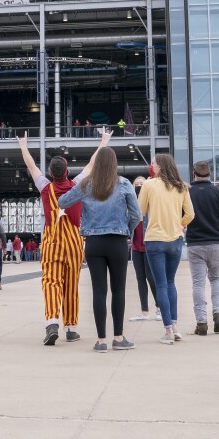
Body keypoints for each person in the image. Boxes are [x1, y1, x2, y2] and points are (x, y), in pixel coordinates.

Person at [16, 129, 112, 345]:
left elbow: (31, 166)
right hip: (74, 241)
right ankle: (71, 327)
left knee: (51, 281)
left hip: (52, 241)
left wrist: (23, 145)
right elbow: (92, 165)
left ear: (50, 172)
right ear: (67, 171)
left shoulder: (45, 187)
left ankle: (52, 322)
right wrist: (103, 141)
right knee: (71, 284)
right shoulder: (77, 184)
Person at [58, 148, 142, 352]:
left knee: (98, 290)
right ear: (114, 163)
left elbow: (62, 202)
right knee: (119, 290)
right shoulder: (123, 184)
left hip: (94, 242)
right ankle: (119, 337)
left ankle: (101, 341)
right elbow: (136, 215)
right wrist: (125, 231)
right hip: (117, 243)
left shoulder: (86, 184)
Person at [138, 153, 195, 345]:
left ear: (160, 166)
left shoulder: (149, 185)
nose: (151, 165)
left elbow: (140, 212)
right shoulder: (182, 186)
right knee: (170, 283)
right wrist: (179, 224)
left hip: (154, 239)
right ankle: (176, 326)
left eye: (153, 162)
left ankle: (168, 329)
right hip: (175, 239)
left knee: (161, 284)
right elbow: (191, 214)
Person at [186, 161, 219, 336]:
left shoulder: (188, 193)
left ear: (194, 174)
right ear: (209, 174)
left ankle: (201, 323)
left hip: (195, 243)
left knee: (198, 283)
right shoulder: (218, 192)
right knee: (216, 279)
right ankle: (218, 314)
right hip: (215, 241)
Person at [128, 176, 159, 321]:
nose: (139, 186)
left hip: (149, 244)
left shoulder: (150, 201)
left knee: (151, 277)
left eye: (142, 184)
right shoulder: (130, 203)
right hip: (136, 245)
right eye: (137, 184)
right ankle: (144, 311)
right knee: (140, 278)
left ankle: (159, 308)